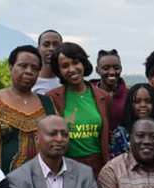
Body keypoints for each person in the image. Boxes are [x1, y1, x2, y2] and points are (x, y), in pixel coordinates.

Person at [0, 45, 57, 173]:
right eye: (23, 66)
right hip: (1, 181)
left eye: (34, 68)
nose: (29, 71)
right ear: (11, 67)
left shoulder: (48, 103)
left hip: (44, 180)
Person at [45, 42, 112, 177]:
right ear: (59, 71)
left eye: (75, 63)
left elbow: (109, 132)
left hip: (98, 168)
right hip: (66, 167)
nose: (71, 69)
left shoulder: (104, 97)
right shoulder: (52, 98)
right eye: (65, 66)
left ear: (83, 63)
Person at [111, 83, 154, 158]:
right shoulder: (120, 134)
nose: (143, 105)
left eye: (148, 101)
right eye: (137, 101)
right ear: (130, 105)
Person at [91, 48, 128, 129]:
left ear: (121, 69)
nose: (112, 72)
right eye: (106, 68)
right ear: (97, 70)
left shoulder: (128, 96)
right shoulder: (88, 94)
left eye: (116, 68)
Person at [33, 29, 63, 94]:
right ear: (38, 49)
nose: (51, 48)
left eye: (56, 45)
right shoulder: (31, 81)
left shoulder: (68, 81)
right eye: (46, 45)